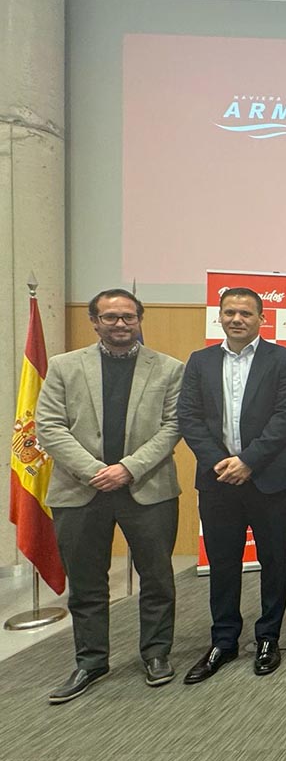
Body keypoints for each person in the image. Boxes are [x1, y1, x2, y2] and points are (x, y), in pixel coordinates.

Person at [36, 290, 184, 704]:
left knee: (157, 578)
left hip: (147, 488)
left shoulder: (170, 369)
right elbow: (48, 426)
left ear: (140, 319)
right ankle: (90, 660)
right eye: (111, 318)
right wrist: (95, 471)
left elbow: (173, 427)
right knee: (85, 584)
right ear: (94, 321)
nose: (120, 325)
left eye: (128, 317)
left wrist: (128, 468)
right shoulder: (65, 367)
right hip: (80, 490)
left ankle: (156, 653)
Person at [178, 286, 286, 683]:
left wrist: (248, 461)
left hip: (269, 479)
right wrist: (221, 463)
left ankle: (268, 637)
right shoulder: (200, 361)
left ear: (261, 318)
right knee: (224, 563)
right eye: (229, 312)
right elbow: (189, 417)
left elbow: (285, 417)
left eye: (246, 313)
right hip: (217, 482)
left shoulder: (283, 359)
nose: (237, 319)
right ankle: (224, 640)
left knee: (274, 562)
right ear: (219, 315)